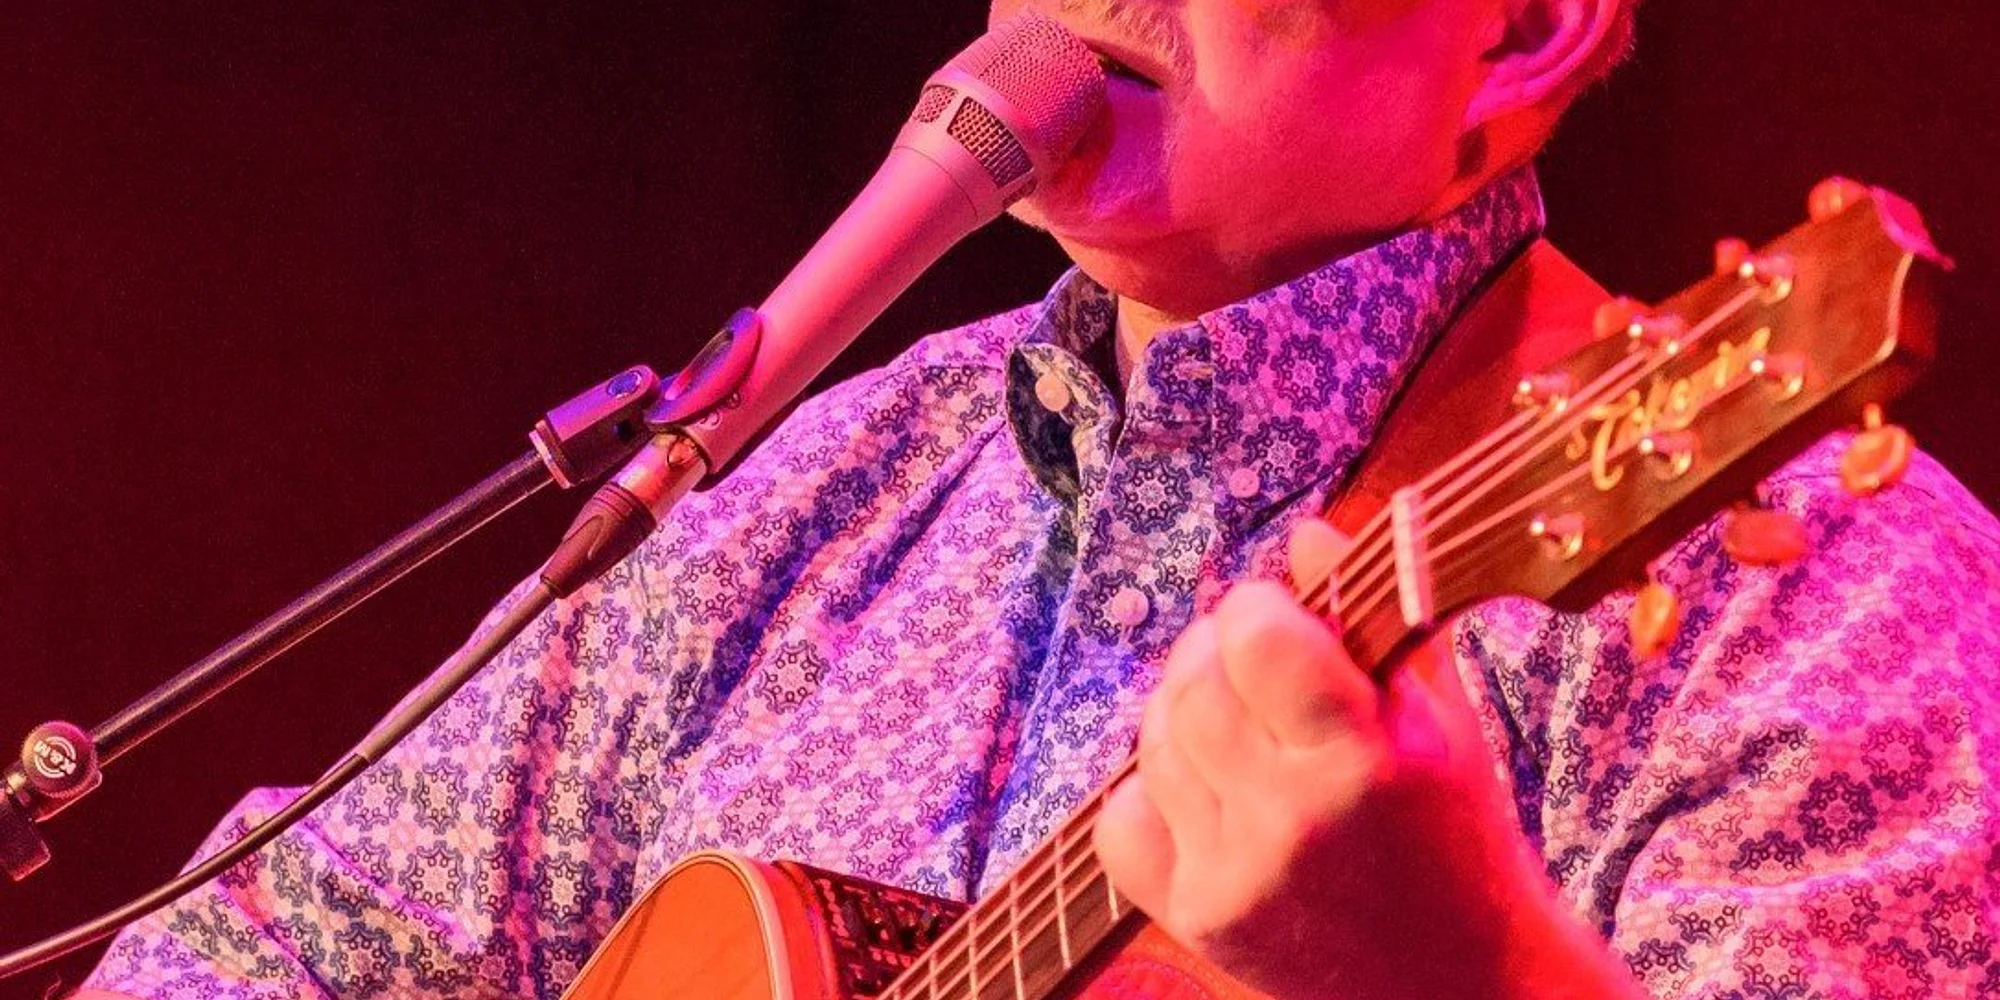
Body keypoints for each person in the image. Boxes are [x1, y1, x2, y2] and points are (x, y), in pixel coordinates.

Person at [79, 0, 2000, 997]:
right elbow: (249, 952)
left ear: (1521, 28)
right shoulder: (819, 484)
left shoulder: (1824, 590)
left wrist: (1466, 977)